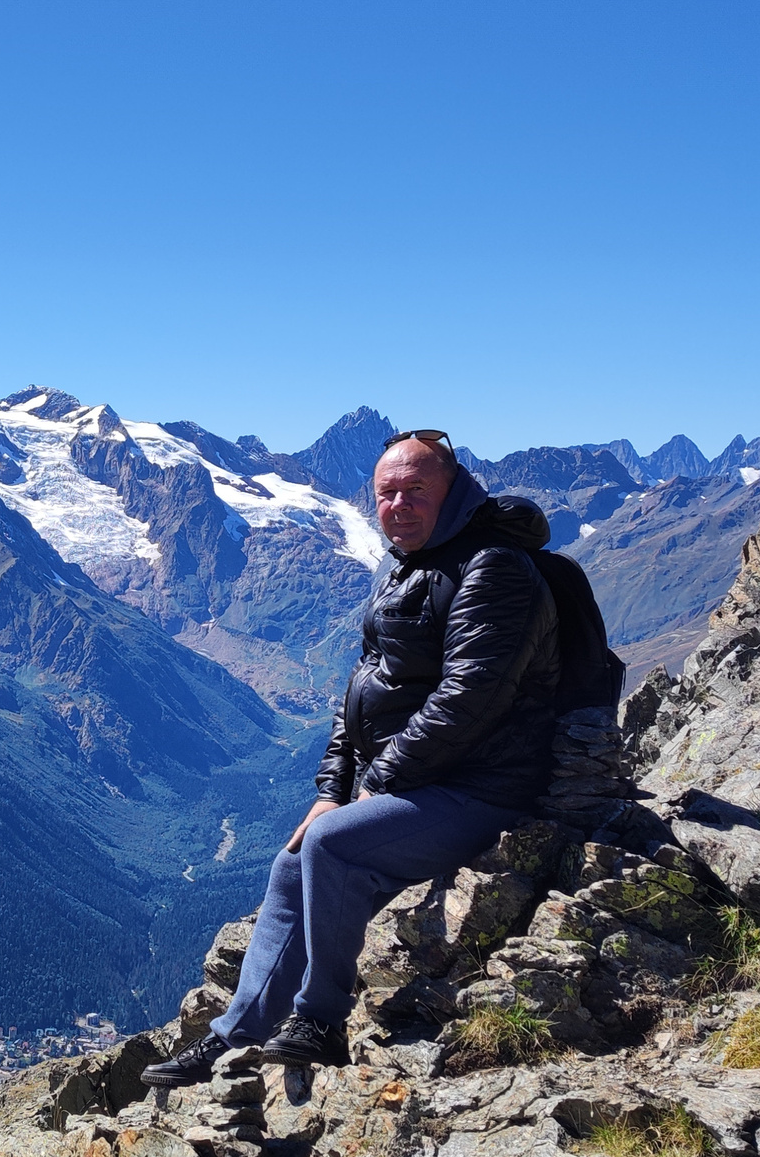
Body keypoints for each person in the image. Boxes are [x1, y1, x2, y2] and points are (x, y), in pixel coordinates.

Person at [143, 429, 561, 1085]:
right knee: (292, 863)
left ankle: (320, 1021)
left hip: (489, 786)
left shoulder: (492, 568)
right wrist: (333, 786)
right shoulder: (400, 562)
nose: (398, 505)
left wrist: (381, 782)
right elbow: (363, 688)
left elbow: (471, 697)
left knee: (332, 847)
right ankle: (236, 1035)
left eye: (415, 490)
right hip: (426, 783)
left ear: (453, 491)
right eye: (386, 493)